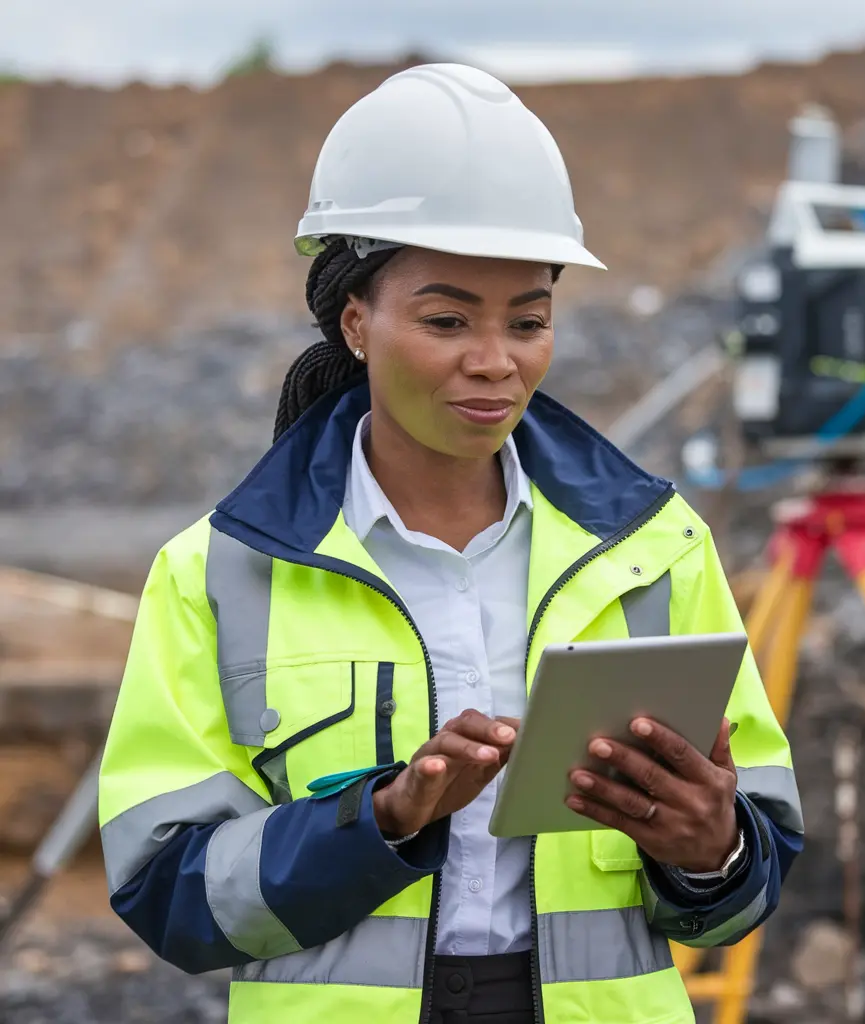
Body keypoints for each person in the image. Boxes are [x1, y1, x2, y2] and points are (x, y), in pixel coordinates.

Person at [98, 63, 803, 1024]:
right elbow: (167, 891)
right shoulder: (221, 571)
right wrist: (380, 820)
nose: (493, 361)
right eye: (446, 319)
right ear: (357, 322)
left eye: (529, 320)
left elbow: (747, 884)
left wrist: (710, 847)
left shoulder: (655, 549)